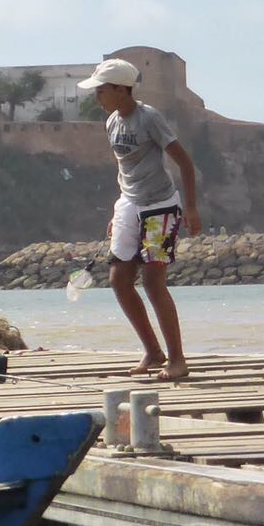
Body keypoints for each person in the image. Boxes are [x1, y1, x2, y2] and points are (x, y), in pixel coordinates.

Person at [80, 57, 202, 381]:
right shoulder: (111, 123)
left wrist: (189, 208)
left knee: (152, 281)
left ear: (122, 90)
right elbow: (126, 171)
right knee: (118, 280)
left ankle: (177, 360)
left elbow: (185, 164)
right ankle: (153, 350)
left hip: (161, 205)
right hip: (129, 204)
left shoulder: (149, 119)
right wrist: (119, 210)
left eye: (102, 91)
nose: (98, 98)